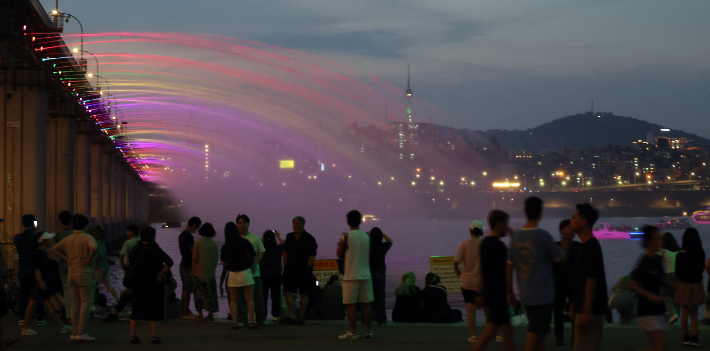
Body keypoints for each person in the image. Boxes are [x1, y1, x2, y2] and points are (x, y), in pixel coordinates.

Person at [507, 197, 566, 351]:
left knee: (539, 334)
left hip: (525, 293)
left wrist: (509, 291)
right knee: (535, 335)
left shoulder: (516, 237)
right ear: (540, 212)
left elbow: (509, 266)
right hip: (543, 294)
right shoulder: (543, 235)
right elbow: (560, 257)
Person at [472, 209, 515, 351]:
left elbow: (482, 271)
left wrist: (480, 293)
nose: (507, 227)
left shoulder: (485, 244)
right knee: (496, 331)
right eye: (505, 223)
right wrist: (509, 291)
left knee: (495, 330)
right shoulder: (499, 246)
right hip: (498, 294)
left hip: (490, 294)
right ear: (498, 224)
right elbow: (508, 268)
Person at [51, 214, 97, 342]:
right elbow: (94, 248)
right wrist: (88, 259)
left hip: (71, 273)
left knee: (75, 302)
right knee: (86, 303)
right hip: (84, 272)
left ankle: (74, 332)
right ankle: (81, 332)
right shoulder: (88, 237)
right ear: (85, 225)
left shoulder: (68, 239)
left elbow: (54, 248)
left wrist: (65, 258)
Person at [569, 203, 608, 351]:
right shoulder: (585, 246)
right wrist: (575, 304)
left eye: (574, 217)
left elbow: (591, 280)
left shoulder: (590, 247)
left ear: (584, 221)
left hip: (591, 311)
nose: (570, 220)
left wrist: (586, 311)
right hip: (586, 308)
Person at [126, 226, 173, 344]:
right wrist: (161, 273)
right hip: (153, 283)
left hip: (138, 282)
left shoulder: (135, 249)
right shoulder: (155, 249)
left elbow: (130, 265)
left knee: (136, 309)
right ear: (153, 236)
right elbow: (169, 262)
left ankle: (133, 335)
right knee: (154, 308)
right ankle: (154, 336)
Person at [20, 232, 71, 336]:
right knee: (32, 306)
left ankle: (62, 327)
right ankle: (25, 328)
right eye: (48, 239)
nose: (51, 241)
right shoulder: (40, 253)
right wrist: (41, 282)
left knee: (49, 306)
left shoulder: (41, 252)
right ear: (43, 241)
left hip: (41, 283)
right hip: (40, 284)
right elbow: (37, 269)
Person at [336, 210, 374, 340]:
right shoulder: (366, 236)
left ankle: (353, 331)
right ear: (360, 221)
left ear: (348, 221)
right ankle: (368, 330)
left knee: (350, 304)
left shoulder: (345, 236)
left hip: (351, 274)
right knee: (365, 304)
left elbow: (339, 254)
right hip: (365, 274)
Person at [629, 225, 667, 351]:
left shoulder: (658, 260)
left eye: (660, 239)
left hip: (656, 311)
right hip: (645, 312)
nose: (659, 242)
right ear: (648, 242)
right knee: (660, 346)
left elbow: (660, 280)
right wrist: (652, 296)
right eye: (656, 239)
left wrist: (676, 287)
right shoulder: (644, 261)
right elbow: (633, 284)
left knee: (659, 346)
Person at [281, 216, 318, 325]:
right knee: (287, 291)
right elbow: (285, 253)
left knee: (304, 293)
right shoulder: (289, 237)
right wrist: (286, 266)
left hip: (304, 270)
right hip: (290, 269)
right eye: (295, 223)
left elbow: (312, 255)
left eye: (299, 223)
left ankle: (301, 316)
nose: (296, 225)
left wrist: (307, 267)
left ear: (303, 224)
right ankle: (292, 315)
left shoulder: (310, 239)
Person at [220, 222, 257, 330]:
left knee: (234, 300)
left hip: (232, 274)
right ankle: (251, 322)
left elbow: (223, 262)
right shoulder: (245, 242)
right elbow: (253, 255)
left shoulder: (226, 246)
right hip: (245, 272)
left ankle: (235, 322)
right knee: (249, 299)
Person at [235, 214, 268, 326]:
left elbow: (261, 252)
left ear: (248, 224)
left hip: (254, 273)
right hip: (239, 273)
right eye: (239, 222)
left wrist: (255, 263)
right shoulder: (234, 239)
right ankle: (242, 319)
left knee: (258, 297)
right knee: (240, 297)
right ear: (237, 225)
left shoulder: (255, 238)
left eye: (244, 222)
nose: (242, 225)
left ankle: (261, 318)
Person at [103, 223, 140, 322]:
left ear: (131, 232)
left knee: (130, 293)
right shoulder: (142, 241)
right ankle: (133, 313)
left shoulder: (128, 242)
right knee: (134, 292)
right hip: (142, 270)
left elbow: (121, 255)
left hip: (132, 270)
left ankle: (131, 315)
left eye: (127, 231)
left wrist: (123, 266)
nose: (126, 232)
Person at [674, 227, 705, 347]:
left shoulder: (680, 255)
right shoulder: (700, 253)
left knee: (684, 312)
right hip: (696, 284)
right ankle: (695, 338)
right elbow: (701, 269)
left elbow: (677, 272)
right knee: (694, 313)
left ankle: (685, 337)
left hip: (683, 285)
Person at [14, 214, 45, 329]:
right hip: (35, 268)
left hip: (23, 268)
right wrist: (36, 232)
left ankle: (22, 318)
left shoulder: (17, 237)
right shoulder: (37, 237)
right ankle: (40, 318)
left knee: (24, 294)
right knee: (37, 294)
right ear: (33, 223)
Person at [553, 219, 581, 346]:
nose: (569, 230)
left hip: (574, 283)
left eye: (571, 228)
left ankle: (575, 337)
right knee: (558, 310)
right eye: (566, 228)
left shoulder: (578, 247)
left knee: (575, 310)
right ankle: (559, 337)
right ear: (561, 230)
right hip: (558, 283)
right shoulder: (555, 246)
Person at [454, 221, 482, 342]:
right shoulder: (484, 244)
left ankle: (473, 335)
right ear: (481, 232)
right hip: (481, 282)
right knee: (487, 308)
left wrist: (458, 272)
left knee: (470, 310)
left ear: (470, 231)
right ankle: (495, 333)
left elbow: (456, 261)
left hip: (467, 281)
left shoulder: (464, 244)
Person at [192, 223, 220, 322]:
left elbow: (195, 258)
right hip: (211, 273)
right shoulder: (213, 244)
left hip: (199, 272)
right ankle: (210, 314)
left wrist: (192, 271)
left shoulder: (198, 243)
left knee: (198, 294)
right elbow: (216, 259)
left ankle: (200, 315)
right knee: (210, 294)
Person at [88, 226, 119, 304]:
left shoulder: (95, 243)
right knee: (109, 286)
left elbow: (96, 256)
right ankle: (118, 301)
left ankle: (91, 304)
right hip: (106, 268)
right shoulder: (102, 242)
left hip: (98, 268)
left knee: (92, 286)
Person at [178, 216, 201, 320]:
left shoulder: (181, 235)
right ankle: (185, 313)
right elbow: (193, 252)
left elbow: (180, 251)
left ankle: (185, 311)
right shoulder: (189, 236)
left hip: (182, 264)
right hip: (188, 265)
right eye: (196, 227)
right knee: (187, 290)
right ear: (194, 225)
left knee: (185, 289)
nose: (196, 230)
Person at [369, 227, 393, 326]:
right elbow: (390, 241)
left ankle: (367, 318)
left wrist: (368, 235)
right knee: (380, 297)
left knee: (369, 296)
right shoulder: (383, 246)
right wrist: (382, 233)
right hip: (380, 273)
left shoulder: (368, 247)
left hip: (369, 273)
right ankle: (381, 319)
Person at [260, 230, 284, 322]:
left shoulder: (261, 249)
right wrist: (278, 236)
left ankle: (263, 315)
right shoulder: (277, 248)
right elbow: (285, 245)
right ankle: (276, 315)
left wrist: (263, 237)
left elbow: (256, 244)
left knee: (263, 297)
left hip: (263, 275)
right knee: (276, 296)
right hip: (276, 275)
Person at [54, 211, 74, 322]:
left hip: (63, 264)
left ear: (60, 221)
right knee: (76, 290)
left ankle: (69, 315)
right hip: (76, 265)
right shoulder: (75, 234)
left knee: (67, 291)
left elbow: (57, 248)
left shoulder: (59, 234)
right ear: (71, 220)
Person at [660, 232, 680, 325]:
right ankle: (676, 316)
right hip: (678, 276)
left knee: (664, 295)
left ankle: (672, 314)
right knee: (676, 297)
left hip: (669, 275)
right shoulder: (678, 251)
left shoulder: (663, 251)